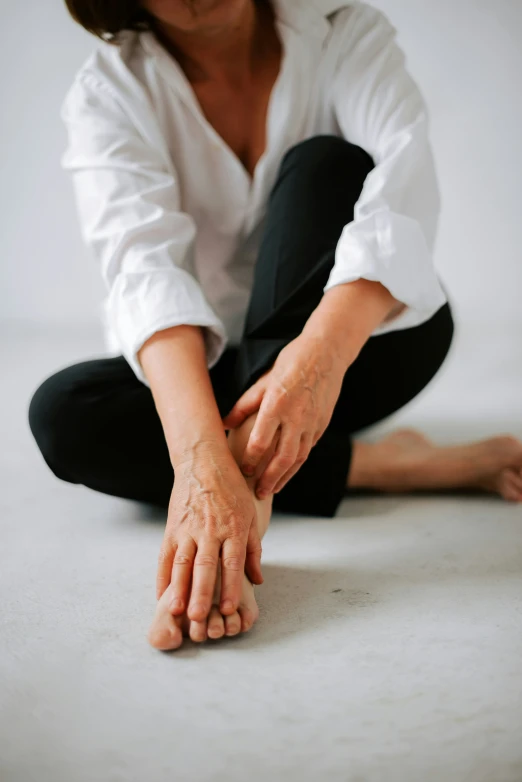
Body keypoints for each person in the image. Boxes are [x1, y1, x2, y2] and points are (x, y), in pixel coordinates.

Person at [28, 0, 522, 651]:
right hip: (212, 370)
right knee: (67, 414)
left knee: (326, 163)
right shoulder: (109, 90)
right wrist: (202, 466)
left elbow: (400, 195)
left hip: (358, 352)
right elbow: (143, 273)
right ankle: (385, 467)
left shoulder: (345, 33)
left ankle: (251, 502)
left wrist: (315, 360)